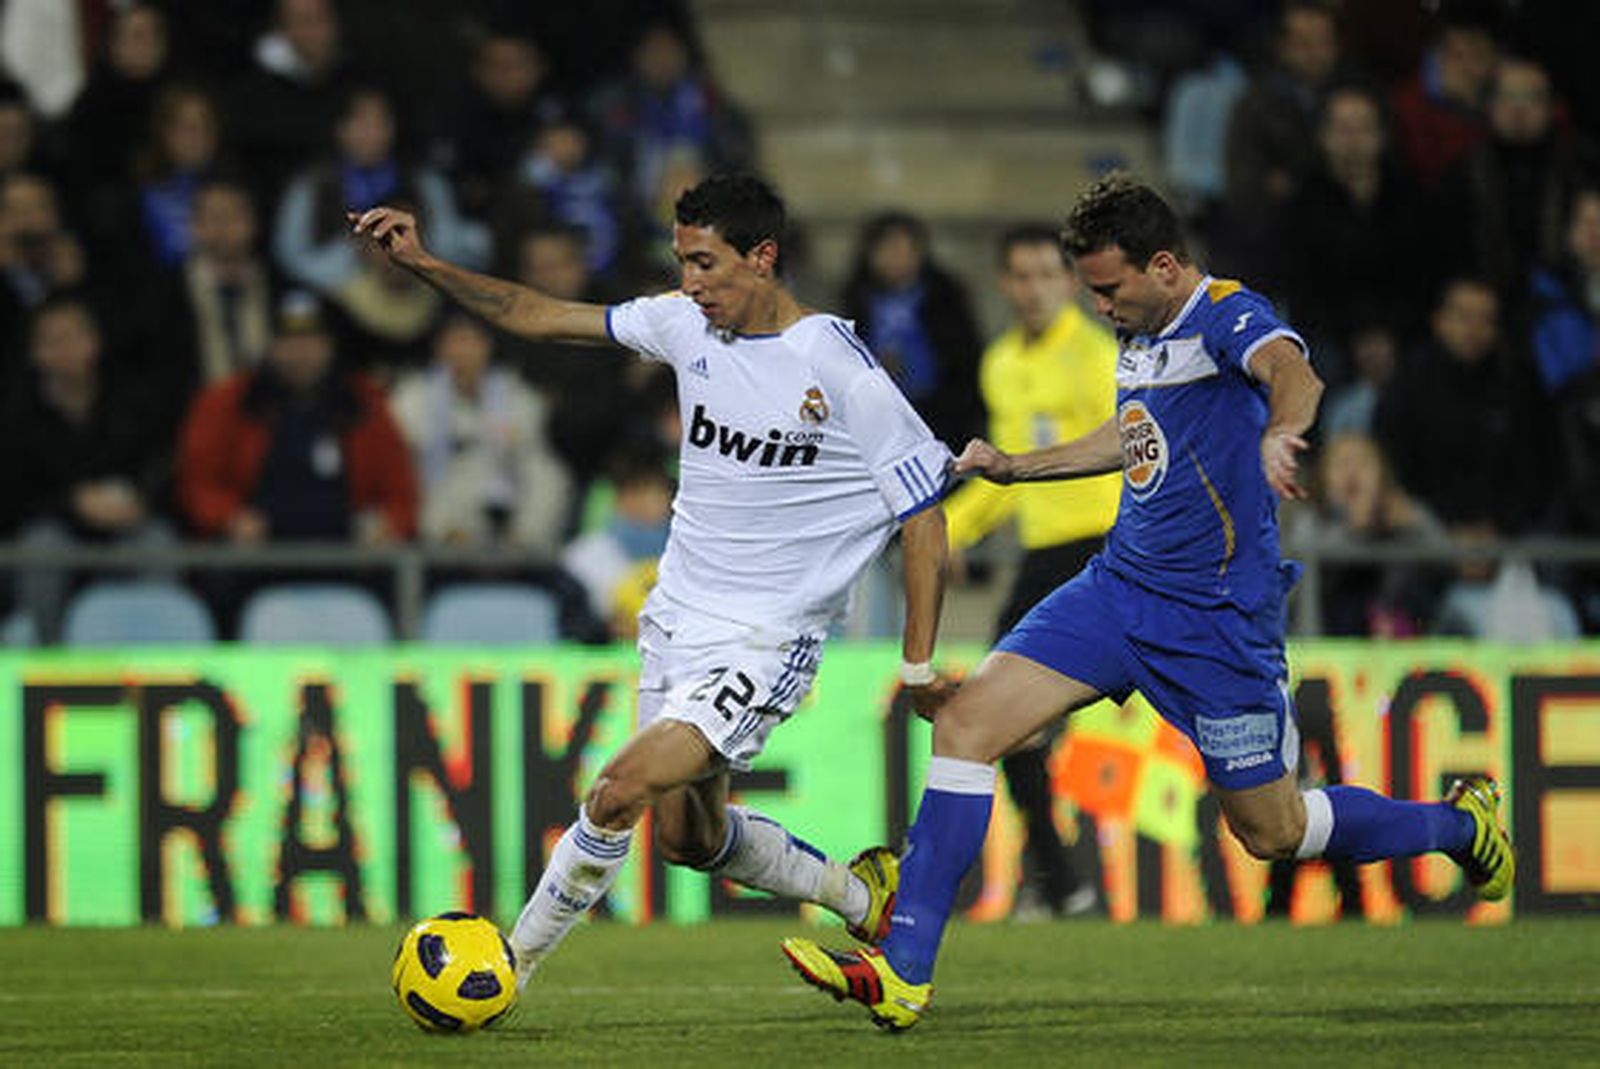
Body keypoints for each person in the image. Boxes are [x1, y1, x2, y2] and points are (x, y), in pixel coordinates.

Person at [780, 173, 1516, 1031]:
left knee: (1273, 831)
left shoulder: (1225, 313)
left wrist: (1283, 431)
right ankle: (904, 969)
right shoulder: (1140, 333)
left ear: (1163, 266)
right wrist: (1018, 467)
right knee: (966, 723)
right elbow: (1134, 436)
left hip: (1216, 624)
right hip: (1117, 590)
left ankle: (1459, 827)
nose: (1099, 307)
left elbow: (1294, 372)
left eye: (1109, 288)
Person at [352, 174, 954, 990]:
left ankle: (506, 969)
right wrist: (425, 263)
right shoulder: (682, 323)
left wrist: (917, 663)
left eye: (705, 263)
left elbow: (924, 515)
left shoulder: (838, 366)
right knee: (689, 839)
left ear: (762, 256)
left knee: (616, 790)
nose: (689, 282)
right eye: (682, 261)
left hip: (767, 639)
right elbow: (534, 313)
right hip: (676, 619)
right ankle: (863, 895)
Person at [941, 224, 1120, 919]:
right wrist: (950, 528)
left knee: (1003, 715)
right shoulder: (1001, 362)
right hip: (1044, 558)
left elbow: (1131, 458)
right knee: (1000, 718)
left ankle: (1056, 881)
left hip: (1107, 547)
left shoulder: (1099, 358)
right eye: (1022, 275)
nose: (1035, 288)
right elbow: (1009, 472)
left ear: (1070, 281)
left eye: (1048, 274)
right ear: (1004, 283)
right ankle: (1059, 881)